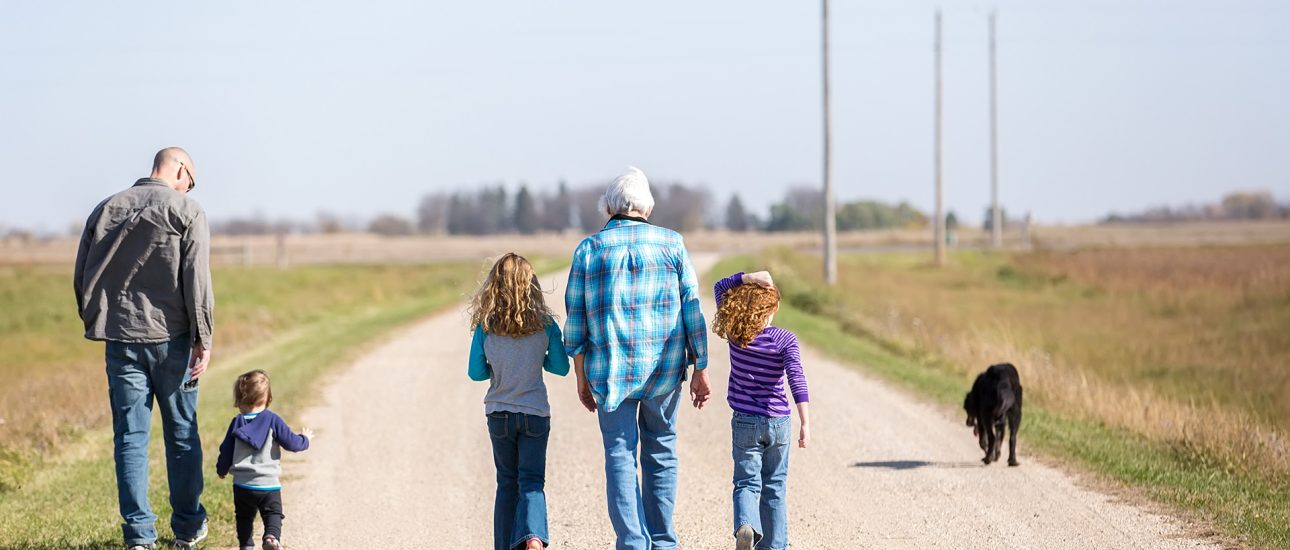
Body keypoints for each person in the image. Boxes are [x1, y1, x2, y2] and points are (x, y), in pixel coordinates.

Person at [563, 167, 710, 550]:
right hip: (664, 371)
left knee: (619, 453)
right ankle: (662, 541)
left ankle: (631, 542)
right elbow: (692, 310)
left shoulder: (589, 250)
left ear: (609, 206)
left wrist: (580, 376)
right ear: (647, 206)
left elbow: (575, 322)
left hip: (609, 372)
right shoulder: (672, 244)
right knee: (661, 451)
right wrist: (701, 367)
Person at [73, 147, 213, 550]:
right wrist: (203, 338)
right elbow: (197, 281)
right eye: (192, 179)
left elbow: (82, 274)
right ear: (180, 169)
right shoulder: (188, 211)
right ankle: (187, 529)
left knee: (130, 439)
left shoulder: (106, 208)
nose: (190, 187)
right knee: (182, 434)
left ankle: (139, 536)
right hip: (174, 341)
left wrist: (97, 318)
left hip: (120, 341)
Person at [468, 253, 570, 550]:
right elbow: (561, 367)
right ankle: (534, 537)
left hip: (499, 413)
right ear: (532, 286)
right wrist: (537, 362)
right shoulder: (545, 324)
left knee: (506, 482)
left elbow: (475, 373)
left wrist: (497, 369)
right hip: (535, 413)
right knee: (532, 481)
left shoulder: (485, 326)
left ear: (493, 286)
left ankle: (504, 544)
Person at [711, 271, 811, 550]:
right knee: (775, 488)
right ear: (773, 309)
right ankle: (774, 546)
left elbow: (719, 287)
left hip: (744, 421)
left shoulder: (736, 331)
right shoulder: (784, 339)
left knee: (746, 483)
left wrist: (748, 277)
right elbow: (797, 378)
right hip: (778, 422)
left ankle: (746, 526)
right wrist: (805, 422)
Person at [215, 370, 312, 550]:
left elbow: (226, 451)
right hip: (268, 485)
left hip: (242, 486)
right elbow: (292, 443)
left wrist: (222, 470)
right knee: (273, 514)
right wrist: (305, 439)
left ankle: (246, 545)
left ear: (238, 401)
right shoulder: (272, 420)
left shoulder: (236, 423)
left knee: (243, 517)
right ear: (268, 400)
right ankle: (271, 538)